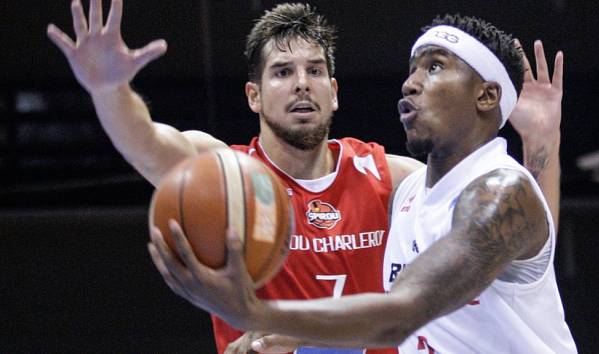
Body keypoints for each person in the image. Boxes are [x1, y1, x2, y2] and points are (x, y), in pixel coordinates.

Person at [47, 1, 563, 352]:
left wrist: (260, 314)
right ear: (253, 96)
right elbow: (147, 143)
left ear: (335, 91)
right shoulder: (231, 179)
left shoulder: (390, 179)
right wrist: (108, 92)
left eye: (315, 71)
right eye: (283, 72)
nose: (302, 86)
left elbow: (522, 234)